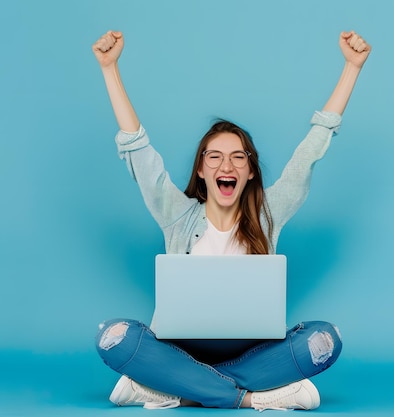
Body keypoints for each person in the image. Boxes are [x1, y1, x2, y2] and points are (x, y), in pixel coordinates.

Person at [92, 28, 371, 411]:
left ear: (251, 171)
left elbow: (309, 151)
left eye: (238, 157)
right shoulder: (177, 216)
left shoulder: (267, 216)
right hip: (179, 349)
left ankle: (175, 389)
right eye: (215, 157)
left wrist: (352, 68)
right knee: (113, 336)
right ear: (202, 171)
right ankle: (249, 397)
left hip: (252, 353)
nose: (227, 164)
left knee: (325, 339)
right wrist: (110, 69)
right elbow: (138, 151)